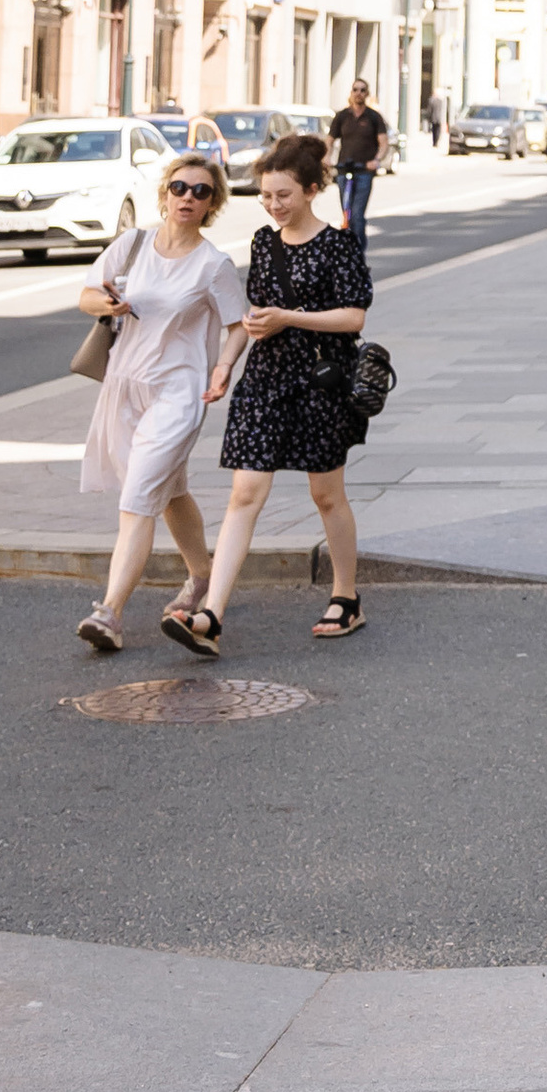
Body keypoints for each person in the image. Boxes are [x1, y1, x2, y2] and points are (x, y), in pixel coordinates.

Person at [187, 131, 375, 646]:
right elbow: (256, 316)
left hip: (319, 381)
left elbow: (354, 315)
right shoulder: (263, 242)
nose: (273, 206)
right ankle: (210, 616)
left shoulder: (338, 245)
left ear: (313, 189)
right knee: (244, 493)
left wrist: (289, 317)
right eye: (266, 196)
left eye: (283, 196)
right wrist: (226, 363)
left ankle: (346, 596)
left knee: (325, 494)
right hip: (266, 378)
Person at [71, 153, 247, 657]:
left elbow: (238, 324)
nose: (188, 197)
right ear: (164, 194)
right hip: (124, 389)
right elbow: (86, 295)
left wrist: (223, 367)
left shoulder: (213, 264)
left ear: (213, 204)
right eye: (179, 187)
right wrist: (107, 304)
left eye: (201, 191)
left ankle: (109, 613)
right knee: (168, 493)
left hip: (178, 392)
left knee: (137, 497)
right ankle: (202, 577)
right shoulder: (131, 245)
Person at [329, 78, 390, 242]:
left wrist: (376, 160)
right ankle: (348, 249)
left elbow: (384, 144)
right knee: (346, 215)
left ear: (367, 94)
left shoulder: (373, 117)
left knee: (357, 215)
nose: (359, 93)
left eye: (362, 90)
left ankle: (358, 251)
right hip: (344, 169)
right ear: (351, 93)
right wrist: (326, 158)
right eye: (355, 90)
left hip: (364, 171)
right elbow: (329, 141)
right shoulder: (342, 116)